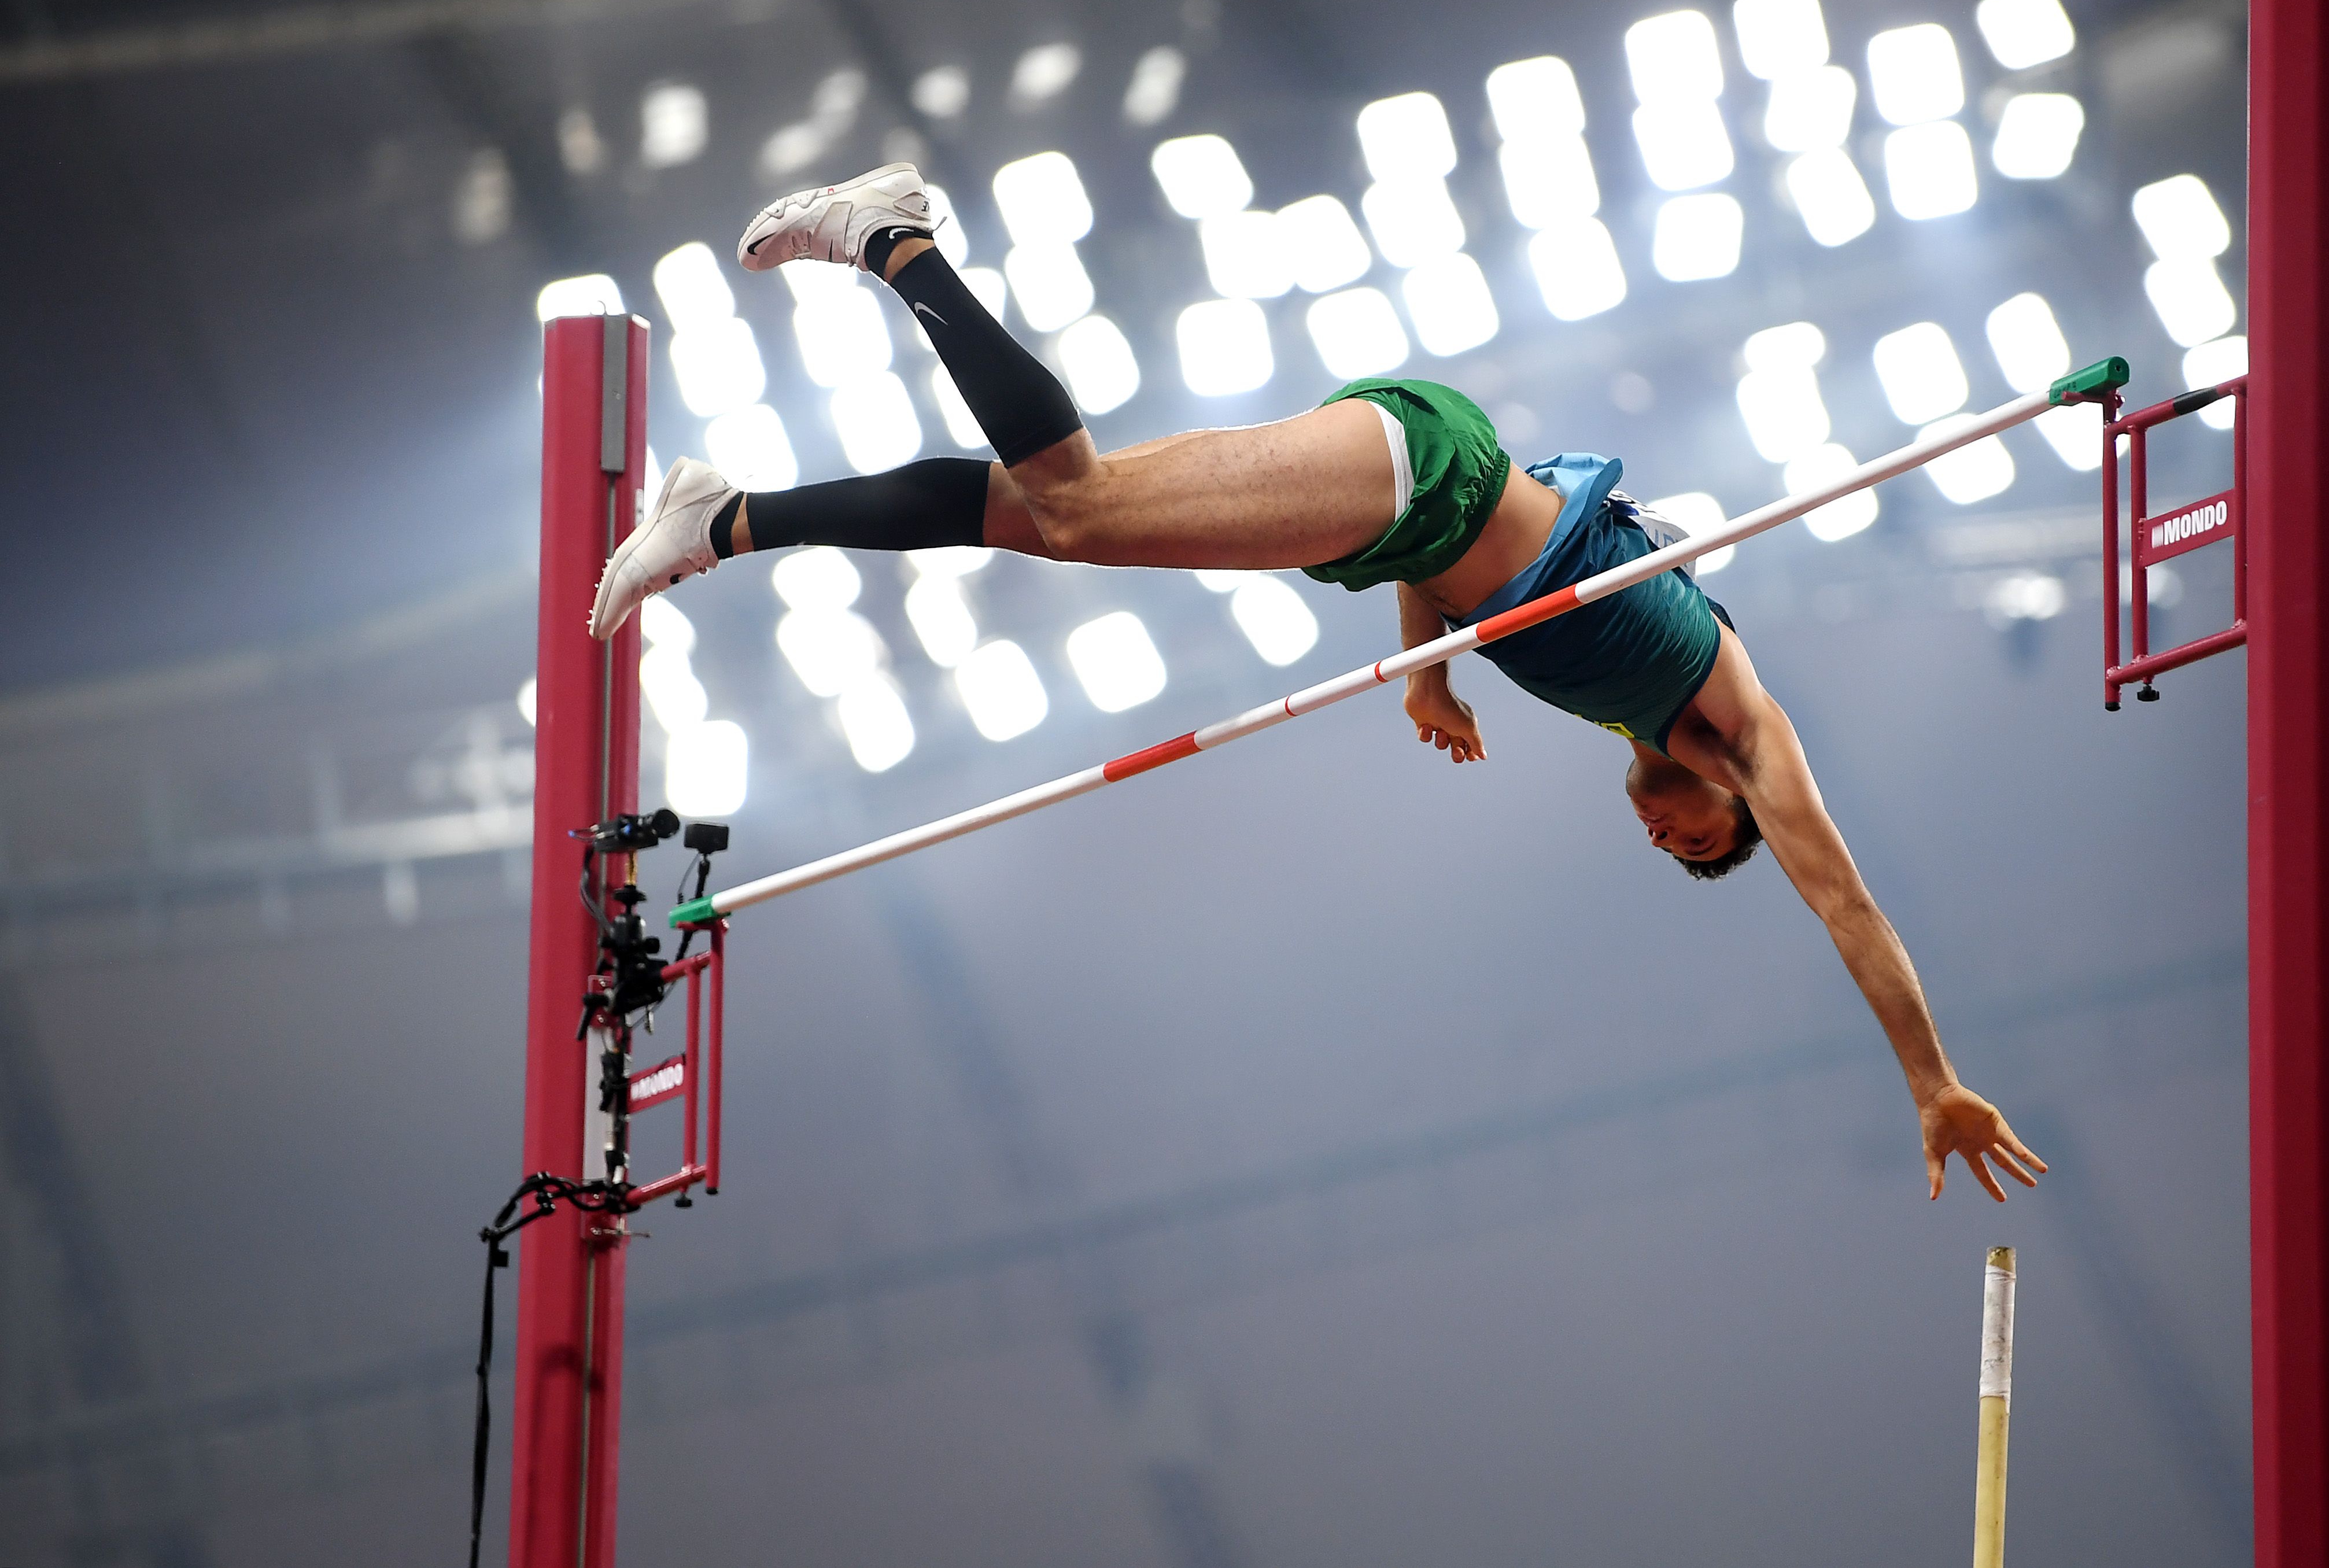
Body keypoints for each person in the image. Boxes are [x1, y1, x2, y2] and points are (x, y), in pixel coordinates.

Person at [594, 164, 2045, 1202]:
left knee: (1034, 517)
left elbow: (1514, 555)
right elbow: (1848, 903)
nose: (1672, 840)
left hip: (1419, 509)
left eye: (1675, 853)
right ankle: (899, 244)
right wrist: (1928, 1076)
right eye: (1702, 845)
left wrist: (1429, 670)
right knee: (1082, 507)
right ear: (1730, 803)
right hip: (1429, 474)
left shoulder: (1626, 700)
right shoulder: (1740, 727)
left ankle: (724, 517)